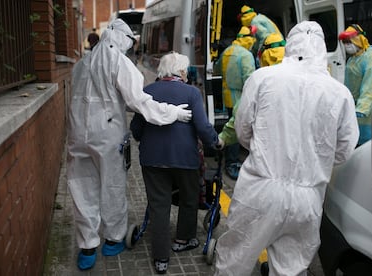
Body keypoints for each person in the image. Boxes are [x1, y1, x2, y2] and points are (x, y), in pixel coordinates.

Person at [214, 21, 359, 276]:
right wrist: (316, 159)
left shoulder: (263, 78)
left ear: (289, 45)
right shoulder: (340, 93)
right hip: (309, 196)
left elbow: (243, 129)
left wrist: (265, 150)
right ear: (322, 48)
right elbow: (345, 149)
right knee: (291, 269)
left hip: (260, 189)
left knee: (234, 261)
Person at [67, 19, 192, 271]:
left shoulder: (82, 64)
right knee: (111, 185)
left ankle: (87, 247)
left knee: (82, 187)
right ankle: (113, 240)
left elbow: (89, 98)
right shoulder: (120, 62)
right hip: (108, 134)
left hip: (78, 133)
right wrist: (171, 113)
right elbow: (140, 102)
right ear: (124, 39)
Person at [130, 52, 221, 274]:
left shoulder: (148, 91)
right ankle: (184, 239)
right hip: (185, 159)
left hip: (152, 159)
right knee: (189, 199)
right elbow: (201, 126)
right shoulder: (191, 92)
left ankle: (161, 259)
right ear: (181, 72)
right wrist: (215, 142)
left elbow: (136, 129)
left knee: (159, 205)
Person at [217, 31, 286, 149]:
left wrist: (223, 138)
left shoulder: (227, 52)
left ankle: (231, 162)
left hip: (230, 99)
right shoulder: (306, 76)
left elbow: (241, 118)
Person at [214, 26, 256, 180]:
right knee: (236, 129)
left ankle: (228, 158)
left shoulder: (227, 51)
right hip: (240, 96)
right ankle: (232, 163)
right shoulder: (245, 55)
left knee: (232, 124)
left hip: (227, 97)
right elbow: (250, 79)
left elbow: (217, 70)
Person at [338, 24, 372, 146]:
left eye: (348, 41)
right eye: (344, 42)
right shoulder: (353, 59)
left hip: (370, 113)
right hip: (355, 111)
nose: (346, 45)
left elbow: (370, 88)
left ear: (358, 39)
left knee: (371, 149)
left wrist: (361, 109)